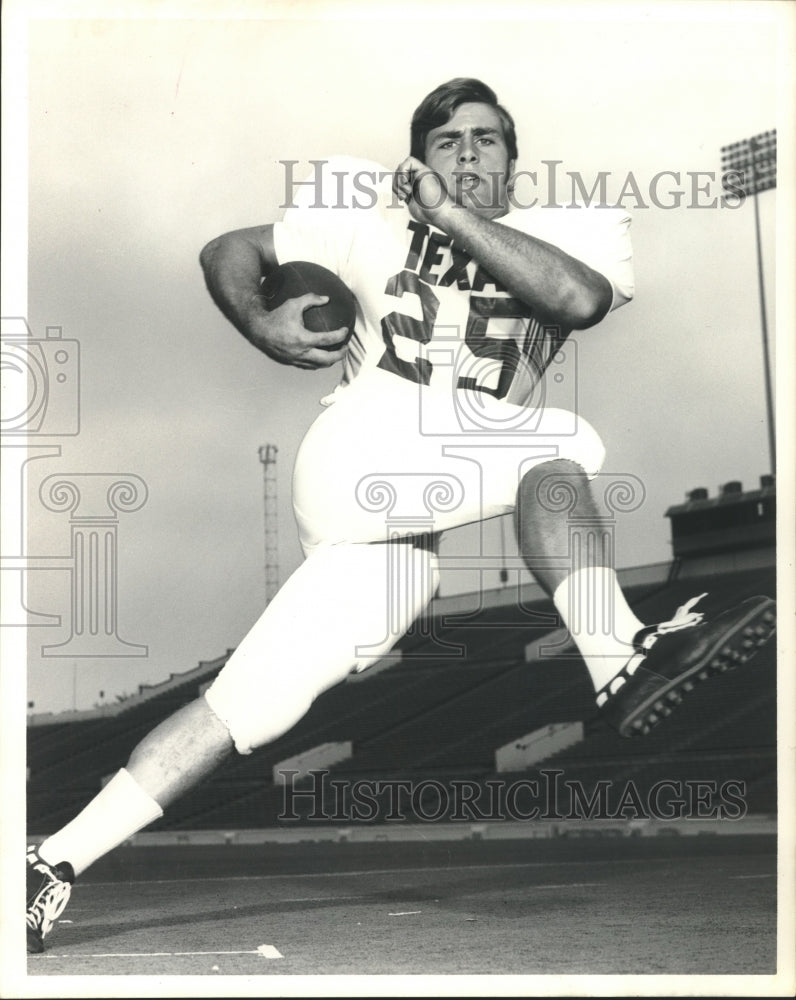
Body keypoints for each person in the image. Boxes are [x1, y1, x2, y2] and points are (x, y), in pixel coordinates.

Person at [26, 78, 776, 954]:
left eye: (485, 139)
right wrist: (262, 322)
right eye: (447, 141)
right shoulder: (364, 214)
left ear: (513, 157)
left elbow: (576, 301)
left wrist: (453, 221)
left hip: (413, 513)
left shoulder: (579, 227)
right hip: (365, 443)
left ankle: (49, 862)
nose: (466, 154)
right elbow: (226, 248)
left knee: (247, 705)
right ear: (419, 157)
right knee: (556, 444)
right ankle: (616, 657)